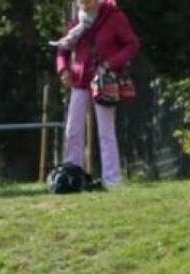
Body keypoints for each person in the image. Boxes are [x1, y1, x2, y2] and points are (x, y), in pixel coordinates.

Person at [55, 0, 139, 189]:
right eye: (81, 2)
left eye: (87, 2)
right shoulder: (78, 20)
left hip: (103, 81)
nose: (83, 5)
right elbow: (63, 49)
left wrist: (111, 63)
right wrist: (63, 70)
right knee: (72, 130)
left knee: (105, 132)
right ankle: (72, 176)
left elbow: (132, 45)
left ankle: (112, 180)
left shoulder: (114, 17)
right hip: (80, 80)